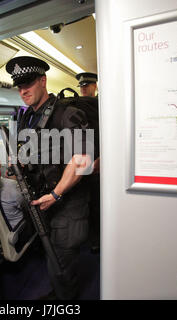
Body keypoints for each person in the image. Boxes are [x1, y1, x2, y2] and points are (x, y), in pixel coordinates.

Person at [5, 56, 96, 300]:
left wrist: (56, 194)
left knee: (62, 259)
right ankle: (60, 292)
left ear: (43, 81)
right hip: (44, 200)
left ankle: (67, 299)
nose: (23, 91)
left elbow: (82, 160)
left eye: (28, 84)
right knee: (52, 254)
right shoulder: (28, 117)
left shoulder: (68, 114)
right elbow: (33, 151)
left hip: (68, 203)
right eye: (19, 86)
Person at [76, 72, 100, 254]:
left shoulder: (104, 106)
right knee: (85, 202)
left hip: (99, 163)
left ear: (95, 87)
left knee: (97, 203)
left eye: (87, 86)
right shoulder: (76, 108)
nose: (84, 88)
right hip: (83, 162)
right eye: (82, 86)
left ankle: (99, 238)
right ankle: (88, 237)